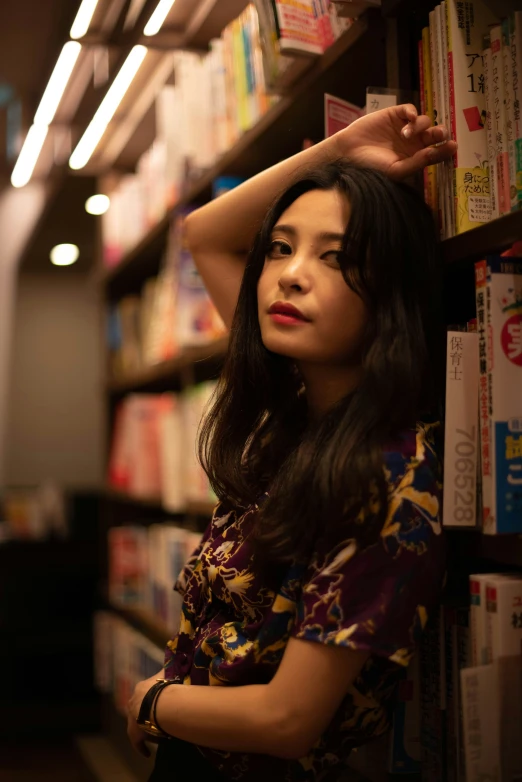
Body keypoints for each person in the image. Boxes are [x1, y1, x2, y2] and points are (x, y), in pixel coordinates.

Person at [127, 104, 456, 781]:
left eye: (335, 258)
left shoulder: (389, 474)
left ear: (390, 295)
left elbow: (288, 720)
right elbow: (206, 233)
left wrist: (154, 701)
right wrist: (342, 150)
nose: (290, 274)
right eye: (280, 248)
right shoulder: (291, 413)